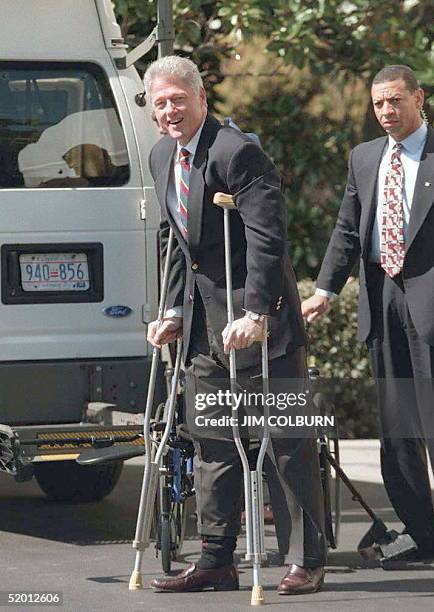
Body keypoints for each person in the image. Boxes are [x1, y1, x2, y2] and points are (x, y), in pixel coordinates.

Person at [145, 55, 327, 595]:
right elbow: (174, 241)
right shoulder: (162, 156)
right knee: (213, 441)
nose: (171, 110)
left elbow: (268, 240)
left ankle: (304, 559)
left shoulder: (237, 151)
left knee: (286, 441)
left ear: (202, 99)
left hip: (259, 323)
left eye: (179, 99)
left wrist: (256, 313)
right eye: (161, 103)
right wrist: (172, 310)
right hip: (204, 329)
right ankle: (215, 559)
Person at [302, 65, 434, 561]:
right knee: (398, 430)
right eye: (378, 104)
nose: (386, 112)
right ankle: (423, 534)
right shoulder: (364, 158)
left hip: (430, 303)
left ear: (419, 99)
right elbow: (348, 230)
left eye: (396, 101)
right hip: (382, 304)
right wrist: (324, 291)